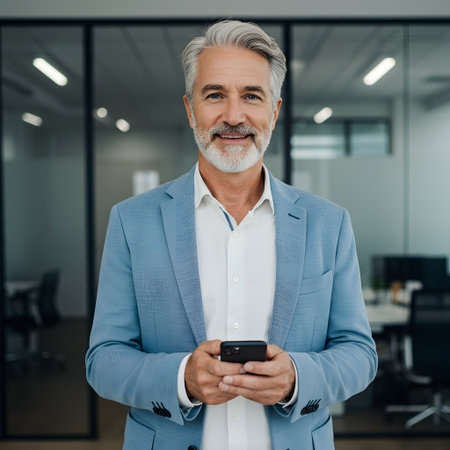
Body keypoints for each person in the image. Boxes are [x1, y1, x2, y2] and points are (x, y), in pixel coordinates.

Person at [86, 20, 377, 450]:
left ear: (274, 111)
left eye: (252, 96)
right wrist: (182, 376)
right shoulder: (133, 221)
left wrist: (298, 376)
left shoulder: (328, 224)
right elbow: (103, 360)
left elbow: (359, 354)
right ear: (190, 110)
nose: (234, 116)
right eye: (215, 94)